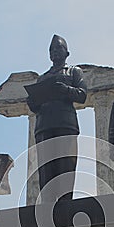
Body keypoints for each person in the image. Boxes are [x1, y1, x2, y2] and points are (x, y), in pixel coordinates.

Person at [27, 35, 87, 202]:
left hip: (65, 124)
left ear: (67, 53)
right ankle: (47, 207)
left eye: (58, 48)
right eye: (52, 50)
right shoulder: (42, 78)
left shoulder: (74, 71)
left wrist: (66, 90)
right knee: (46, 169)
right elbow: (35, 107)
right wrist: (32, 102)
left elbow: (82, 95)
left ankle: (66, 205)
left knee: (66, 166)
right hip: (44, 126)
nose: (54, 52)